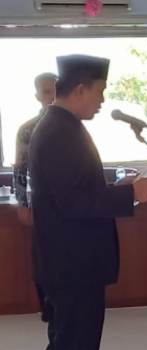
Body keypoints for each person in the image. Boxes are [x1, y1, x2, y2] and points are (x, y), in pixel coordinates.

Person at [29, 54, 147, 350]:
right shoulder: (59, 132)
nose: (102, 100)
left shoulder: (61, 127)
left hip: (70, 266)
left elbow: (78, 190)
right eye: (99, 92)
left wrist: (117, 187)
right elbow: (75, 203)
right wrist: (130, 195)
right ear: (80, 89)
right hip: (73, 268)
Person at [13, 72, 57, 323]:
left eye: (56, 90)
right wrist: (22, 203)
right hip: (41, 200)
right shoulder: (27, 129)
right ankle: (47, 308)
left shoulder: (75, 126)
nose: (52, 96)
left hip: (72, 202)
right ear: (37, 96)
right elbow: (19, 168)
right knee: (44, 257)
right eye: (47, 91)